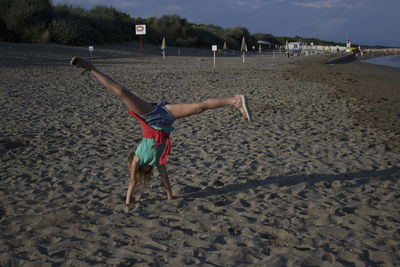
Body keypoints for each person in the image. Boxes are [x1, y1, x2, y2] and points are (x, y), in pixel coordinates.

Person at [70, 57, 251, 205]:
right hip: (165, 116)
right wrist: (170, 196)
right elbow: (165, 178)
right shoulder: (158, 160)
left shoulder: (137, 159)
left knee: (122, 92)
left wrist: (128, 201)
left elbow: (132, 182)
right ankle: (235, 100)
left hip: (150, 117)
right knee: (199, 107)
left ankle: (91, 67)